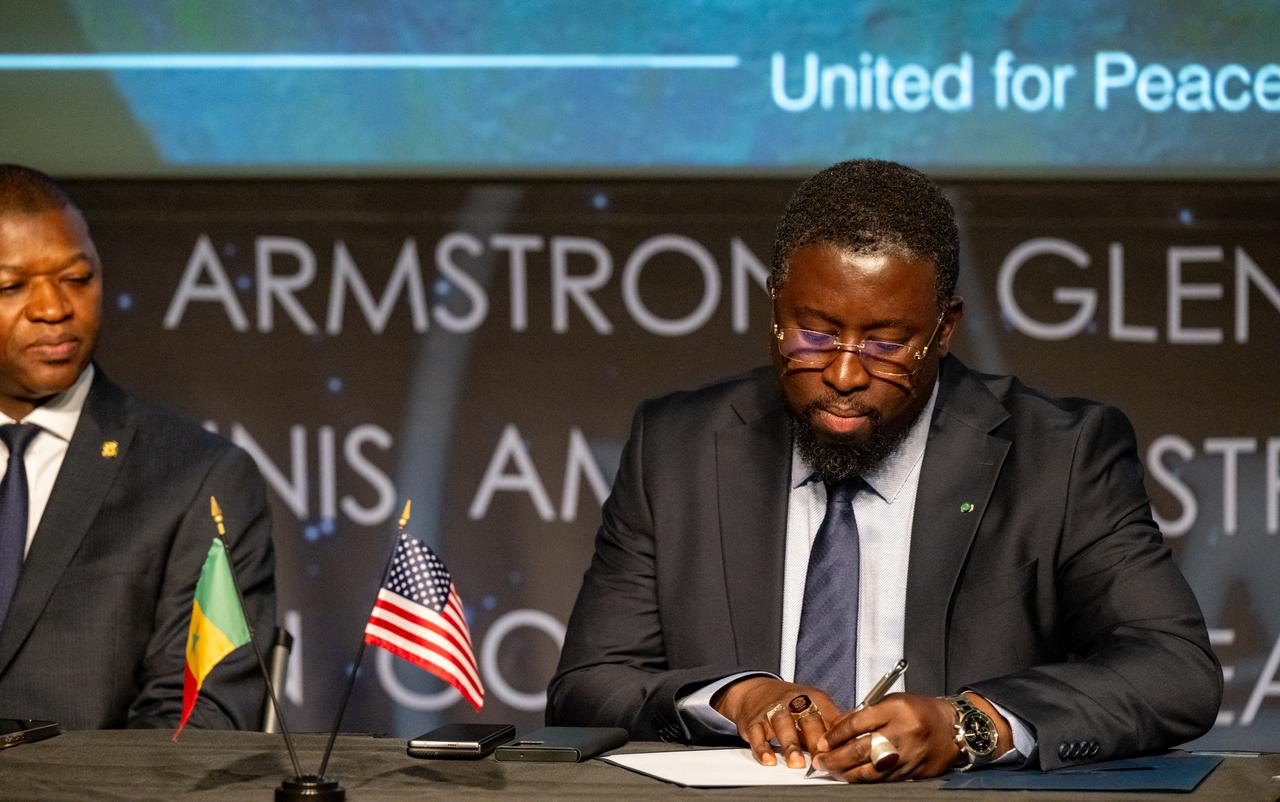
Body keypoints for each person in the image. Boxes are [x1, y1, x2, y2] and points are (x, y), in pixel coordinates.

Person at [547, 159, 1221, 781]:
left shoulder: (1060, 456)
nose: (844, 374)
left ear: (944, 329)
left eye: (886, 343)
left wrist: (968, 725)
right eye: (814, 335)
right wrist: (734, 697)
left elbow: (1174, 671)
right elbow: (587, 686)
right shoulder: (679, 447)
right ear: (775, 305)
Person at [0, 164, 275, 729]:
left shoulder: (199, 479)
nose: (53, 308)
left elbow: (197, 722)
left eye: (77, 278)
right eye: (11, 286)